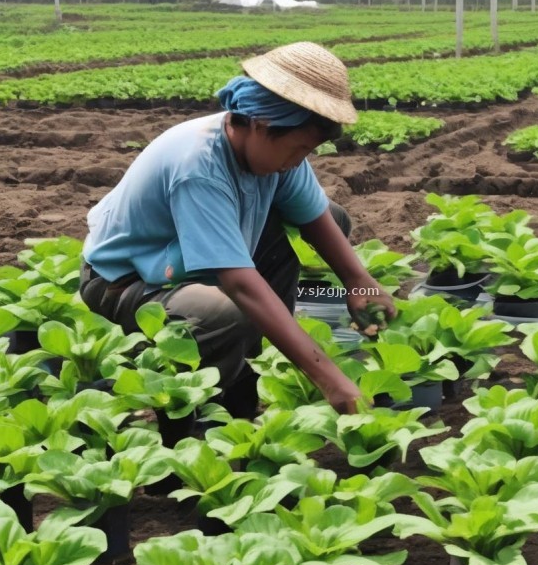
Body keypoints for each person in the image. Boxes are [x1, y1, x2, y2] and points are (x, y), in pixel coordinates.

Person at [79, 41, 395, 419]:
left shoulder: (275, 154)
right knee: (230, 313)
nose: (299, 161)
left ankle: (252, 351)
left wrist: (360, 282)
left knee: (332, 217)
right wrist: (330, 379)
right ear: (262, 125)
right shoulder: (199, 166)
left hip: (190, 262)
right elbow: (241, 285)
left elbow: (316, 219)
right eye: (298, 149)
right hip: (131, 283)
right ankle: (181, 402)